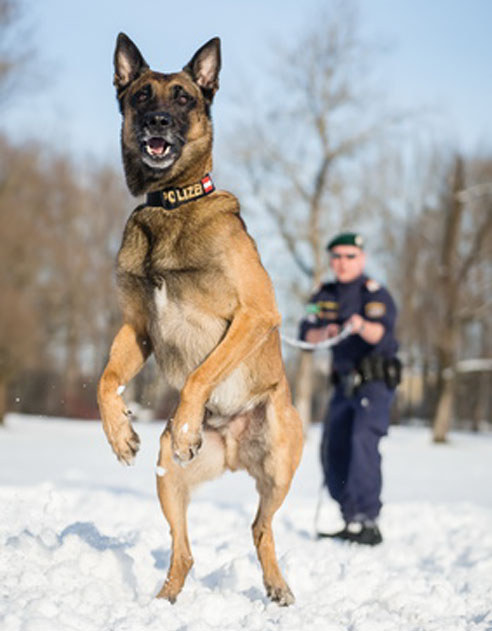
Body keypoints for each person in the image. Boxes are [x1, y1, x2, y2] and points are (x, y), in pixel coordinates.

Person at [299, 232, 400, 545]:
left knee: (362, 443)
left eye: (350, 256)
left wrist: (358, 325)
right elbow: (306, 333)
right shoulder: (323, 294)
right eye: (337, 256)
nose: (343, 263)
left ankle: (367, 519)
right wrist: (324, 331)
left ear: (362, 258)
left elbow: (381, 335)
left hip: (374, 382)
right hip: (342, 384)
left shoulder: (374, 293)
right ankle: (349, 516)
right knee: (334, 447)